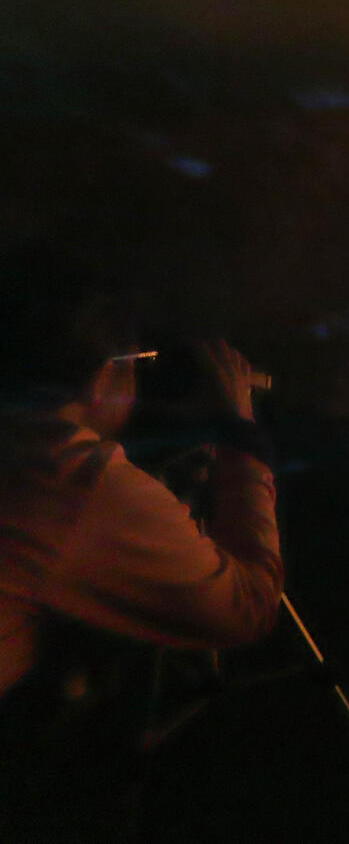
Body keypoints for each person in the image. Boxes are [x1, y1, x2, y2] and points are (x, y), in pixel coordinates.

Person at [0, 246, 283, 835]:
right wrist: (239, 434)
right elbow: (246, 604)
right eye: (134, 363)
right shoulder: (72, 477)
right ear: (105, 374)